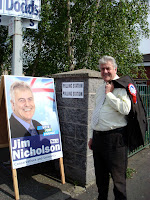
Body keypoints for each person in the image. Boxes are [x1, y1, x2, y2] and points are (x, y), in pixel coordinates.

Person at [88, 56, 131, 200]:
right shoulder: (101, 88)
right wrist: (92, 136)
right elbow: (97, 111)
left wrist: (109, 94)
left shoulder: (121, 86)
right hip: (98, 138)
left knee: (118, 181)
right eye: (102, 69)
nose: (105, 71)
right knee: (101, 179)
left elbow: (126, 109)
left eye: (108, 68)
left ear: (115, 69)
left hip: (115, 139)